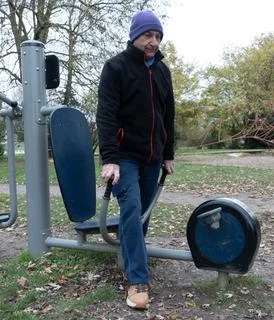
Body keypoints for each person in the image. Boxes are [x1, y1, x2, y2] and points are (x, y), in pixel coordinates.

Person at [96, 10, 175, 310]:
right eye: (147, 35)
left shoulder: (163, 72)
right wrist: (110, 159)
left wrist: (168, 153)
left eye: (157, 36)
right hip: (124, 156)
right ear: (134, 36)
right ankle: (138, 280)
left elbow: (169, 115)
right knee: (130, 207)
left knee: (141, 216)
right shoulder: (115, 68)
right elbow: (105, 115)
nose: (153, 41)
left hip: (152, 156)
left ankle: (129, 261)